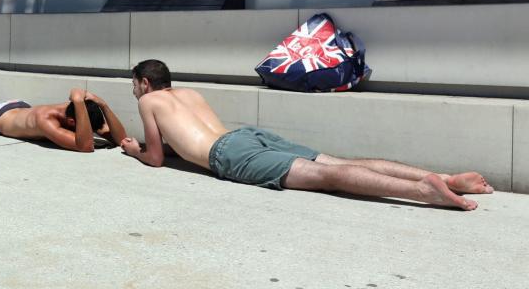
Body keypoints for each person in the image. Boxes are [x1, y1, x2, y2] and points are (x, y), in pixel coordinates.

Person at [120, 59, 493, 211]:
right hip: (246, 136)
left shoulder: (149, 102)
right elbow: (183, 142)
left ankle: (423, 191)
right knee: (338, 161)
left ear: (146, 82)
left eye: (134, 84)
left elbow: (155, 158)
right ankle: (444, 178)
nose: (134, 91)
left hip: (229, 155)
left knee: (325, 177)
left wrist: (133, 151)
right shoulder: (189, 93)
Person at [0, 88, 127, 153]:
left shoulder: (80, 111)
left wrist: (104, 105)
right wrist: (77, 99)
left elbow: (121, 140)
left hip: (16, 109)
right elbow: (85, 147)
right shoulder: (46, 121)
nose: (92, 132)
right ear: (73, 122)